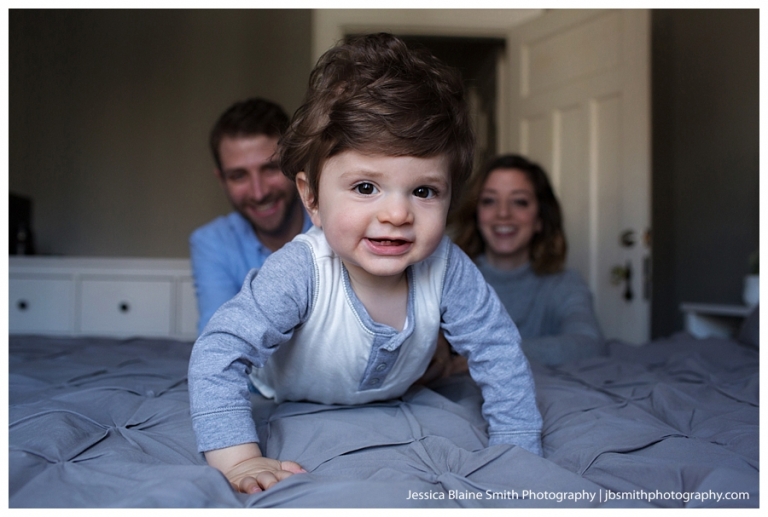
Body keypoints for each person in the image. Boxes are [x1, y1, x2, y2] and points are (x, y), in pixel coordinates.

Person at [188, 33, 543, 495]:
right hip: (286, 388)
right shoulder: (301, 269)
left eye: (423, 191)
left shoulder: (447, 266)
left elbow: (497, 349)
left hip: (394, 387)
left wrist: (518, 446)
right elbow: (218, 351)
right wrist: (239, 461)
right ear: (312, 198)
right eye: (365, 188)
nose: (397, 214)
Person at [450, 154, 605, 367]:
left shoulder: (564, 283)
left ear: (540, 219)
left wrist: (486, 357)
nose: (503, 213)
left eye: (519, 202)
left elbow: (590, 344)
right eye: (489, 201)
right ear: (476, 215)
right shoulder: (450, 281)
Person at [189, 98, 313, 334]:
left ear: (295, 165)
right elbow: (219, 339)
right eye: (239, 176)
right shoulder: (211, 242)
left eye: (270, 168)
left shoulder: (335, 229)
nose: (259, 193)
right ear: (222, 180)